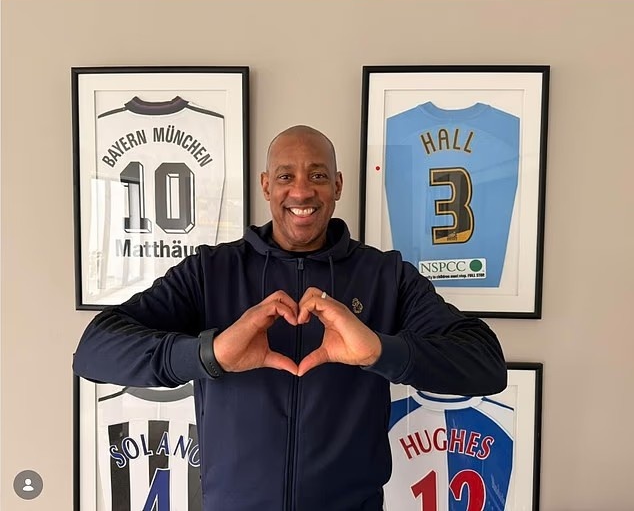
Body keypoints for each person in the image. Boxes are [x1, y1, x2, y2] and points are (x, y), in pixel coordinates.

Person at [73, 125, 507, 511]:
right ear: (265, 185)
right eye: (285, 177)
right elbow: (94, 349)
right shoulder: (210, 272)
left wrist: (380, 351)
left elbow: (486, 364)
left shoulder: (385, 276)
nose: (301, 192)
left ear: (337, 185)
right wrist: (209, 354)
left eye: (317, 176)